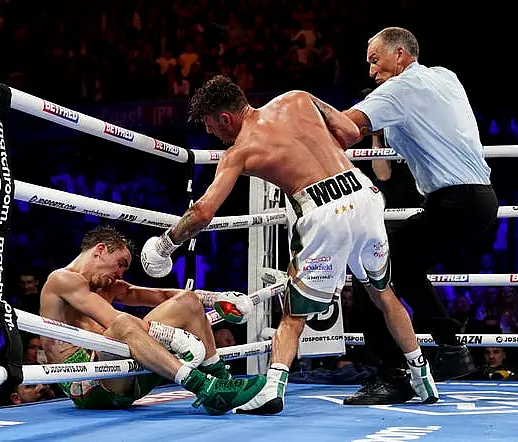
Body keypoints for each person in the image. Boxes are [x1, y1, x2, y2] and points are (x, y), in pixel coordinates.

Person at [140, 74, 439, 415]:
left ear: (226, 118)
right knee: (383, 294)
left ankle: (271, 390)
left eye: (211, 126)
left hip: (324, 210)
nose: (211, 134)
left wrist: (165, 244)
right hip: (363, 193)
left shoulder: (240, 152)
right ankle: (422, 376)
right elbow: (352, 133)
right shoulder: (297, 98)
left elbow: (203, 211)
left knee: (293, 312)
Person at [340, 27, 499, 404]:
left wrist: (296, 114)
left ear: (399, 55)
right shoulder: (445, 77)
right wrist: (379, 130)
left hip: (456, 202)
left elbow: (344, 128)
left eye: (375, 61)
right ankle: (450, 348)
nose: (371, 72)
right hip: (477, 200)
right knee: (404, 269)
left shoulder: (400, 90)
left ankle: (393, 374)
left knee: (371, 269)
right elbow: (384, 170)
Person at [40, 224, 264, 415]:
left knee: (188, 301)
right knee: (122, 323)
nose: (121, 274)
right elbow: (113, 320)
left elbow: (163, 296)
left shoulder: (107, 286)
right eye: (121, 263)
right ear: (100, 250)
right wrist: (173, 337)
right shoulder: (63, 280)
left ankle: (221, 384)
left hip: (128, 378)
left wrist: (214, 298)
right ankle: (203, 386)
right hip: (88, 387)